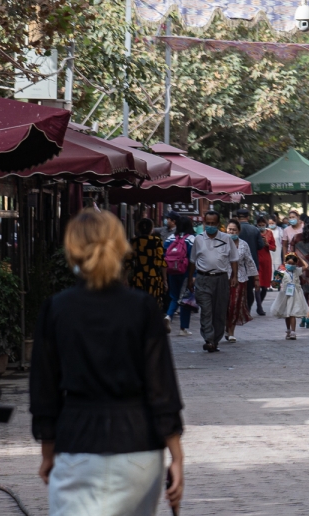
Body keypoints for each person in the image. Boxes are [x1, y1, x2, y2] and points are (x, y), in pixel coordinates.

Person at [30, 210, 185, 515]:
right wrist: (177, 457)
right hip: (138, 444)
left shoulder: (57, 309)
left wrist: (47, 452)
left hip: (77, 441)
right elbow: (161, 387)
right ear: (120, 246)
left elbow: (44, 391)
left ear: (73, 249)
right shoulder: (143, 308)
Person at [191, 210, 238, 353]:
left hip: (221, 279)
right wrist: (189, 279)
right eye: (208, 223)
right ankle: (209, 339)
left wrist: (234, 276)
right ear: (204, 223)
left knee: (219, 311)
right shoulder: (198, 239)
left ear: (218, 224)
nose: (210, 226)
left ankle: (215, 340)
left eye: (213, 223)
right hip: (203, 278)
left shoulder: (227, 239)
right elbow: (192, 260)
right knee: (206, 310)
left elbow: (233, 259)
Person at [224, 220, 258, 342]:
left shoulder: (244, 244)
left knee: (234, 305)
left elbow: (249, 261)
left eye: (234, 230)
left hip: (240, 278)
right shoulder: (221, 243)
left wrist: (256, 277)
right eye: (229, 229)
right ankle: (226, 325)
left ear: (238, 231)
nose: (231, 232)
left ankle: (231, 331)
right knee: (224, 305)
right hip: (223, 277)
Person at [164, 215, 196, 337]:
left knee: (174, 296)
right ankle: (183, 328)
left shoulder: (171, 238)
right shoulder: (192, 239)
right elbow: (193, 259)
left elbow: (164, 254)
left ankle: (168, 315)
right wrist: (193, 275)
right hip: (186, 272)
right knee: (185, 300)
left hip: (171, 271)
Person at [125, 218, 168, 305]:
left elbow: (128, 261)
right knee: (152, 303)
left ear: (138, 229)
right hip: (154, 277)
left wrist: (125, 278)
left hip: (138, 277)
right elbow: (161, 261)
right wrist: (165, 280)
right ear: (151, 229)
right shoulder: (157, 241)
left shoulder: (134, 241)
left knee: (138, 303)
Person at [271, 251, 309, 338]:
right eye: (289, 263)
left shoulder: (297, 271)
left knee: (293, 313)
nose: (291, 265)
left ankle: (293, 331)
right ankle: (288, 330)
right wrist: (274, 283)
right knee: (287, 314)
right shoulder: (281, 272)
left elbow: (306, 266)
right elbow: (275, 284)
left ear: (296, 264)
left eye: (293, 264)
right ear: (285, 262)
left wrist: (299, 258)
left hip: (296, 295)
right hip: (285, 295)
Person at [235, 209, 265, 314]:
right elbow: (261, 245)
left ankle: (240, 310)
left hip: (237, 264)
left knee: (238, 288)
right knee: (249, 289)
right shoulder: (255, 230)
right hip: (252, 264)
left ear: (237, 218)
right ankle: (247, 309)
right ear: (248, 217)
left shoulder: (234, 230)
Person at [255, 216, 276, 312]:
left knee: (265, 286)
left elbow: (274, 248)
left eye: (263, 225)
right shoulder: (255, 233)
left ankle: (260, 303)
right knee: (257, 284)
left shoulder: (270, 233)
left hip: (267, 261)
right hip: (257, 259)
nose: (261, 227)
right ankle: (259, 307)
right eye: (259, 225)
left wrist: (267, 245)